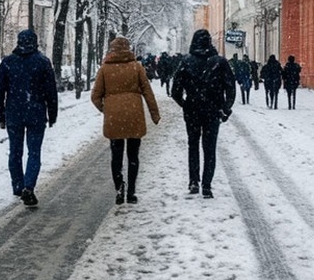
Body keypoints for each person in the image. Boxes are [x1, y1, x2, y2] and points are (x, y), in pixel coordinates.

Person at [0, 28, 59, 206]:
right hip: (36, 113)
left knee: (15, 151)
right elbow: (51, 91)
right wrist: (52, 114)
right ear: (35, 43)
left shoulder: (8, 63)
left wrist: (0, 115)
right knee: (34, 152)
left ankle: (17, 185)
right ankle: (28, 186)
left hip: (14, 113)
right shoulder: (43, 62)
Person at [91, 37, 160, 205]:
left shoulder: (105, 69)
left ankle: (119, 188)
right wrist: (154, 113)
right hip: (134, 116)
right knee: (133, 155)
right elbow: (148, 92)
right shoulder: (137, 67)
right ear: (128, 49)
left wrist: (106, 109)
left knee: (116, 156)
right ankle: (131, 192)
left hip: (114, 118)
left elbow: (95, 96)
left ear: (112, 50)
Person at [171, 29, 236, 198]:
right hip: (212, 110)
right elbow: (230, 87)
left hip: (192, 109)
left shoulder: (186, 61)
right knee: (210, 147)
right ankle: (207, 185)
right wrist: (226, 108)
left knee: (193, 145)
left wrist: (185, 104)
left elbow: (175, 90)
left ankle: (194, 181)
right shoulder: (220, 62)